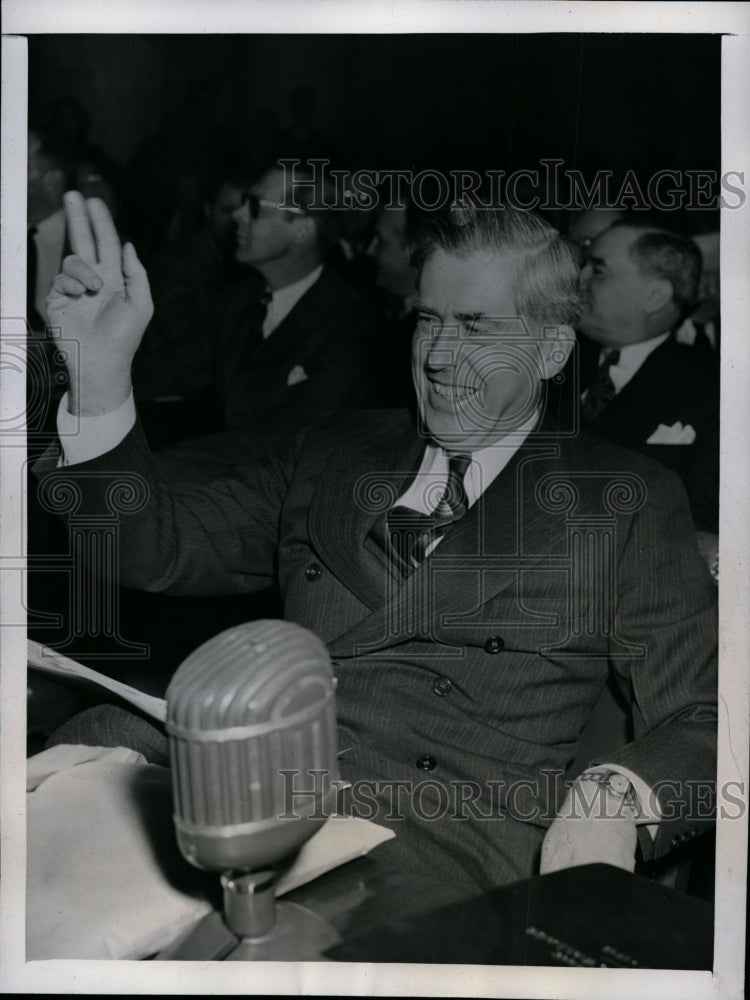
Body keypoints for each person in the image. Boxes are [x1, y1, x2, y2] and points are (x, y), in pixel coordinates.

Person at [36, 192, 717, 898]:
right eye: (429, 320)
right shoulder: (337, 449)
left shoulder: (622, 496)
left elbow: (704, 714)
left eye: (478, 328)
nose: (441, 357)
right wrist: (99, 375)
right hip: (230, 770)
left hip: (423, 839)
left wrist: (613, 799)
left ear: (550, 350)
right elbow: (150, 547)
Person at [571, 219, 719, 571]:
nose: (579, 279)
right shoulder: (545, 366)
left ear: (655, 296)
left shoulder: (716, 388)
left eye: (599, 270)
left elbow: (703, 527)